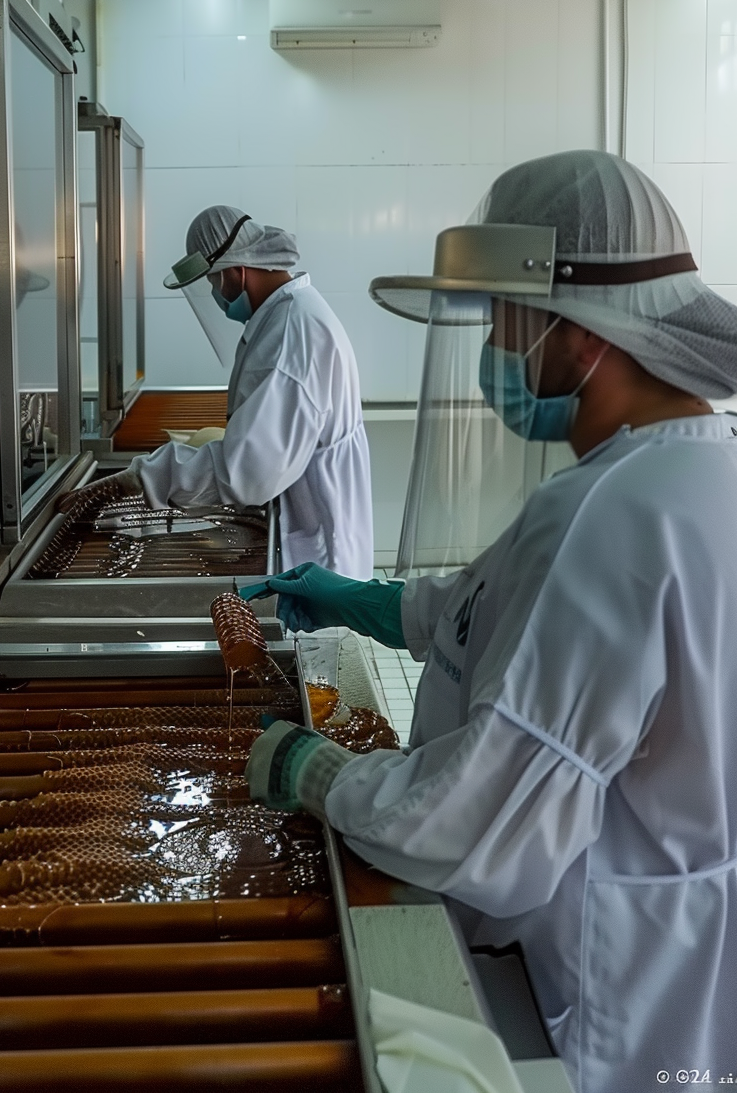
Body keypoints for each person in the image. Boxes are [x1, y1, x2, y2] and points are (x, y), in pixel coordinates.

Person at [242, 151, 737, 1093]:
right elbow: (492, 610)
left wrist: (320, 775)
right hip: (690, 970)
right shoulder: (692, 474)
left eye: (506, 319)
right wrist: (375, 605)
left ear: (583, 334)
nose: (494, 351)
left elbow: (474, 828)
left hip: (607, 993)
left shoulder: (609, 517)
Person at [63, 206, 373, 579]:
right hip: (310, 528)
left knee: (311, 634)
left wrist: (146, 477)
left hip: (316, 550)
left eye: (212, 282)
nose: (214, 294)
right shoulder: (290, 315)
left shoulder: (292, 334)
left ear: (234, 273)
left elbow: (246, 472)